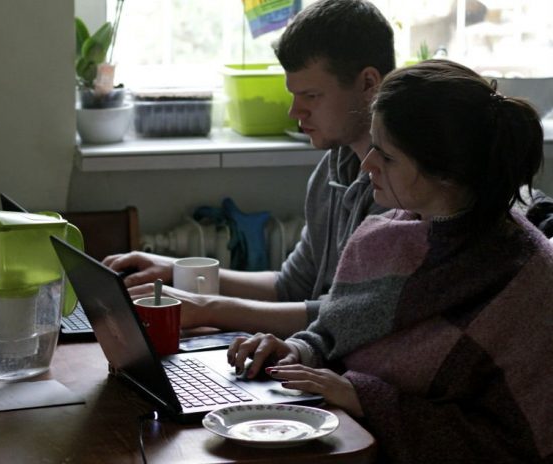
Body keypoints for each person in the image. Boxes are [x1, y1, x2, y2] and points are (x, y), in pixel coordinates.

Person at [228, 59, 553, 463]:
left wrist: (365, 398)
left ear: (446, 173)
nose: (367, 166)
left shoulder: (527, 282)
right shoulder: (383, 237)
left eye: (386, 156)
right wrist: (294, 353)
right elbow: (332, 334)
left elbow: (510, 447)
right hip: (343, 440)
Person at [103, 0, 393, 337]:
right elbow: (291, 286)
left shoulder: (399, 186)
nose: (294, 112)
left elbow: (350, 316)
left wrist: (206, 307)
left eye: (311, 95)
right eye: (294, 95)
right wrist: (173, 270)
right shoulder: (332, 169)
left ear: (369, 83)